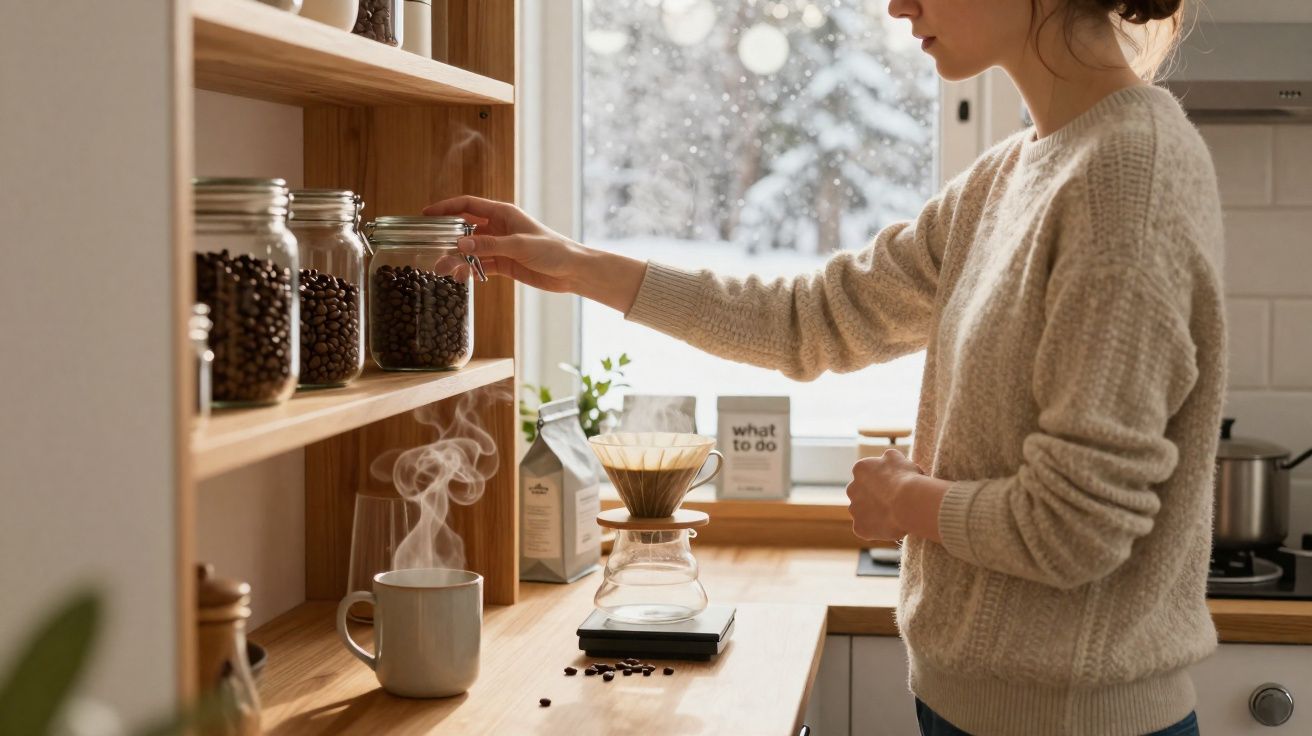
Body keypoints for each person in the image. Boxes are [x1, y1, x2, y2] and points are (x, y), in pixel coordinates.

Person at [426, 1, 1222, 733]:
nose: (897, 5)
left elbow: (1077, 527)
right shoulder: (1009, 176)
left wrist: (911, 503)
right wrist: (577, 267)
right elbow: (815, 320)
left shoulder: (1129, 175)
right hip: (971, 709)